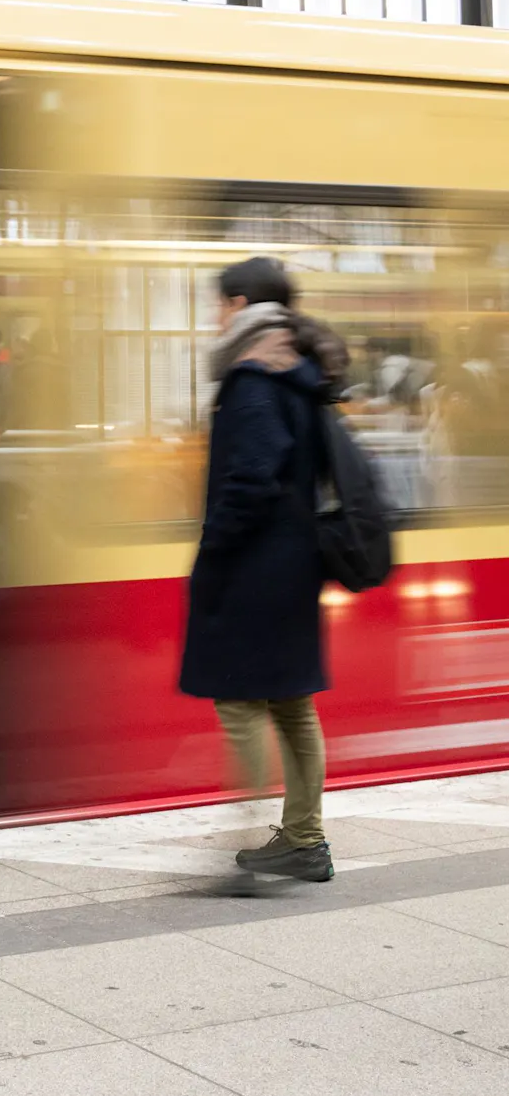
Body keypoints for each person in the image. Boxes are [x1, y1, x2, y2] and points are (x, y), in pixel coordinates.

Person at [181, 255, 348, 883]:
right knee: (291, 703)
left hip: (256, 562)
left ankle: (250, 838)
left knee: (238, 698)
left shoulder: (254, 375)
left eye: (219, 303)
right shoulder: (299, 367)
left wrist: (216, 549)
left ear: (239, 304)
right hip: (293, 560)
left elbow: (252, 473)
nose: (213, 315)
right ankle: (303, 836)